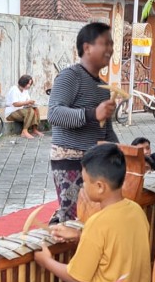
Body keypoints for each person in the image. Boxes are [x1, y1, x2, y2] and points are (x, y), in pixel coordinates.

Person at [27, 144, 151, 282]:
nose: (82, 186)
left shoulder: (98, 223)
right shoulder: (136, 211)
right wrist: (80, 235)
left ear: (100, 186)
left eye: (84, 181)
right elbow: (113, 245)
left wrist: (46, 261)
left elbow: (76, 277)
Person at [47, 22, 119, 224]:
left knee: (92, 216)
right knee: (72, 217)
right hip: (69, 158)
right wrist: (91, 114)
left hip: (94, 162)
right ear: (87, 48)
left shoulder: (104, 86)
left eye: (111, 44)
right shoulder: (70, 76)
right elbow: (53, 113)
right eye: (105, 43)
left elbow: (106, 130)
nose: (110, 49)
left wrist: (122, 153)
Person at [5, 75, 43, 139]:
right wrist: (27, 102)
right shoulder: (14, 89)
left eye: (30, 84)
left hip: (21, 111)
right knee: (29, 111)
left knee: (35, 109)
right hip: (11, 113)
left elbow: (27, 102)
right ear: (23, 82)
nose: (29, 85)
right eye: (28, 83)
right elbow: (15, 104)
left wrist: (31, 104)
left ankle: (34, 130)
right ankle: (24, 131)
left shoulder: (25, 91)